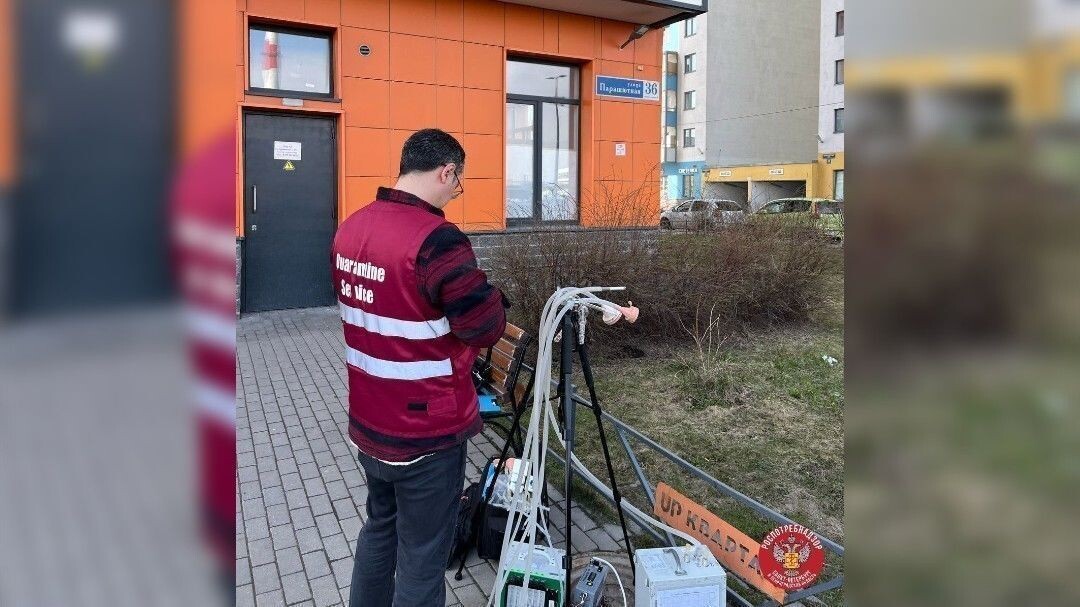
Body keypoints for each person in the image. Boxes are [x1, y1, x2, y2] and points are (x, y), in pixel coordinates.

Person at [332, 129, 508, 607]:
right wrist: (492, 296)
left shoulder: (351, 228)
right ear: (446, 172)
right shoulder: (437, 240)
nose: (455, 192)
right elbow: (483, 327)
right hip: (427, 431)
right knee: (423, 557)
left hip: (370, 421)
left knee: (380, 529)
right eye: (458, 182)